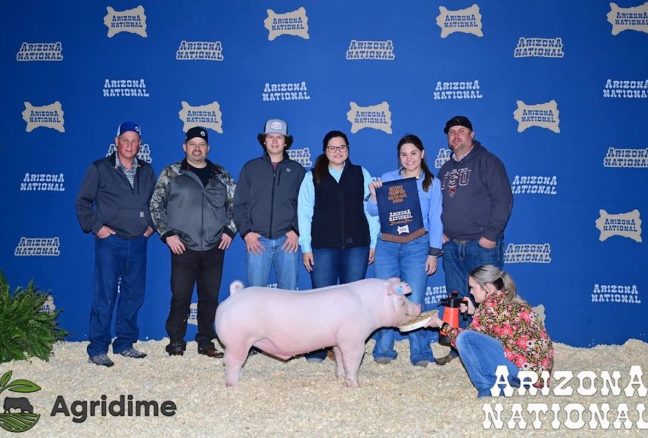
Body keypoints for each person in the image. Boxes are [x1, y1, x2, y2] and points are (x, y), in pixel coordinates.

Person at [150, 126, 236, 358]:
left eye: (201, 145)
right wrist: (168, 234)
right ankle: (176, 341)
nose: (197, 149)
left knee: (209, 297)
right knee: (181, 296)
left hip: (214, 246)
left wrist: (230, 230)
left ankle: (206, 341)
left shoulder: (222, 175)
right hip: (183, 246)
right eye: (192, 144)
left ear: (208, 148)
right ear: (184, 147)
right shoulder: (171, 173)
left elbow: (237, 205)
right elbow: (156, 204)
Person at [75, 121, 156, 367]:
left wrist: (151, 227)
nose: (130, 145)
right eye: (125, 140)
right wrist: (98, 228)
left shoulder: (147, 170)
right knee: (105, 295)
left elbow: (155, 203)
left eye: (135, 141)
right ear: (117, 141)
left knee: (134, 295)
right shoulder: (100, 168)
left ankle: (124, 343)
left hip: (139, 242)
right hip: (111, 243)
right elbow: (82, 203)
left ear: (140, 144)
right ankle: (98, 348)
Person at [436, 115, 513, 365]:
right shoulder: (445, 170)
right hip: (452, 245)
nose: (455, 136)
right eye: (451, 132)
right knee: (457, 300)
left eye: (461, 131)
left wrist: (491, 234)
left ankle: (492, 351)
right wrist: (442, 231)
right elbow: (439, 205)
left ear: (472, 135)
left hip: (480, 246)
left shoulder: (488, 162)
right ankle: (461, 347)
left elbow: (503, 200)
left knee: (489, 299)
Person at [297, 130, 380, 362]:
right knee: (320, 301)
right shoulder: (312, 177)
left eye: (342, 147)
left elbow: (371, 211)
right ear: (325, 151)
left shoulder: (361, 174)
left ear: (348, 149)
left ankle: (347, 349)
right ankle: (316, 348)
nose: (337, 151)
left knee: (352, 304)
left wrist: (373, 242)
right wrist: (306, 247)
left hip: (357, 246)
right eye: (332, 148)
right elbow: (303, 214)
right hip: (322, 247)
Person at [367, 134, 443, 367]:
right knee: (386, 297)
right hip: (388, 243)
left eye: (413, 153)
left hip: (417, 244)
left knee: (415, 298)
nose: (408, 158)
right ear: (398, 157)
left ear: (422, 154)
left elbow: (436, 218)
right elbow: (372, 211)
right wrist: (373, 195)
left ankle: (419, 351)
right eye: (403, 154)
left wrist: (433, 252)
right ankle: (383, 348)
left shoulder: (433, 183)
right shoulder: (388, 179)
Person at [426, 265, 553, 398]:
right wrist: (475, 312)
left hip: (522, 376)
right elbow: (496, 331)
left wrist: (440, 324)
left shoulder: (489, 307)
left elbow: (467, 341)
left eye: (473, 287)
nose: (471, 292)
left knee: (464, 339)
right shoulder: (510, 299)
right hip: (537, 376)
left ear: (488, 287)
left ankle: (491, 389)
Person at [233, 119, 305, 289]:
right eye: (270, 137)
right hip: (258, 241)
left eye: (279, 137)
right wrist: (246, 232)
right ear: (264, 140)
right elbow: (239, 204)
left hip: (288, 241)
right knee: (256, 297)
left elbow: (305, 205)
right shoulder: (250, 168)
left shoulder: (297, 170)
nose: (274, 141)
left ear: (286, 142)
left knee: (289, 297)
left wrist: (296, 231)